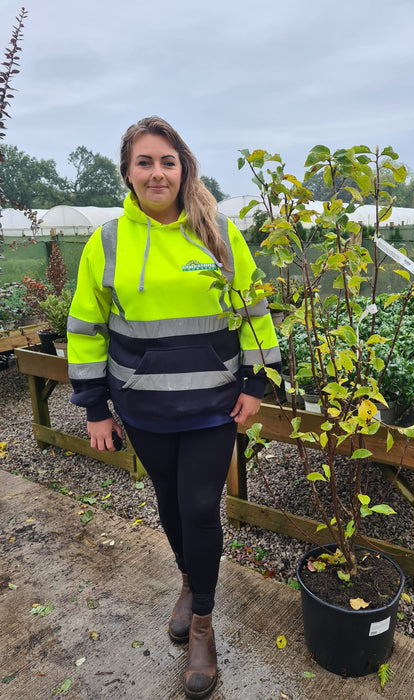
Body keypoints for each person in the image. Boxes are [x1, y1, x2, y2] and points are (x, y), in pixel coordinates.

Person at [67, 116, 281, 699]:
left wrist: (258, 384)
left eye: (167, 160)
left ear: (183, 167)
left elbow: (254, 310)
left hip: (214, 404)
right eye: (145, 162)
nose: (157, 172)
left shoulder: (217, 232)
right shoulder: (107, 241)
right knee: (168, 503)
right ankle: (190, 583)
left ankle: (204, 627)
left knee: (197, 506)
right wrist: (94, 407)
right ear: (128, 173)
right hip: (143, 407)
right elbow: (86, 328)